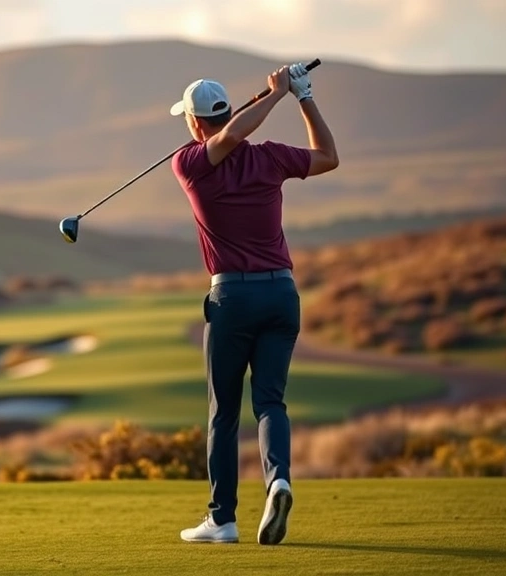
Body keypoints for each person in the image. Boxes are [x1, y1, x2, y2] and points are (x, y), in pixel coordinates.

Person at [169, 63, 339, 545]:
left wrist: (285, 94)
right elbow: (328, 155)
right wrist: (298, 95)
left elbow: (230, 139)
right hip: (283, 294)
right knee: (270, 402)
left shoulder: (188, 163)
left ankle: (222, 520)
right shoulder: (267, 157)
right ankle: (278, 479)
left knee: (223, 413)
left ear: (196, 123)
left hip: (233, 298)